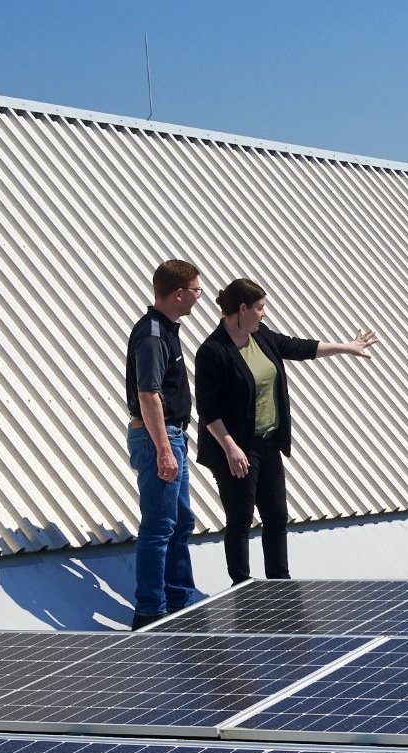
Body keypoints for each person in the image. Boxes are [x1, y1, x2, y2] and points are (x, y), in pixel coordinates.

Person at [192, 277, 377, 582]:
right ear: (242, 309)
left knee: (276, 517)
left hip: (267, 444)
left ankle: (280, 582)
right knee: (240, 519)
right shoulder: (213, 351)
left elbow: (298, 347)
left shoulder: (260, 336)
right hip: (235, 450)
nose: (264, 314)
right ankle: (242, 586)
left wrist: (346, 347)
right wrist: (231, 448)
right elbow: (208, 410)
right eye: (260, 308)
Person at [124, 259, 206, 629]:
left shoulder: (166, 330)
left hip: (172, 436)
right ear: (178, 293)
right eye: (196, 291)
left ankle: (179, 595)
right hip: (161, 436)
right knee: (158, 525)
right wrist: (163, 449)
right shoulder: (154, 334)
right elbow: (149, 394)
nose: (198, 297)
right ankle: (150, 610)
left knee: (180, 520)